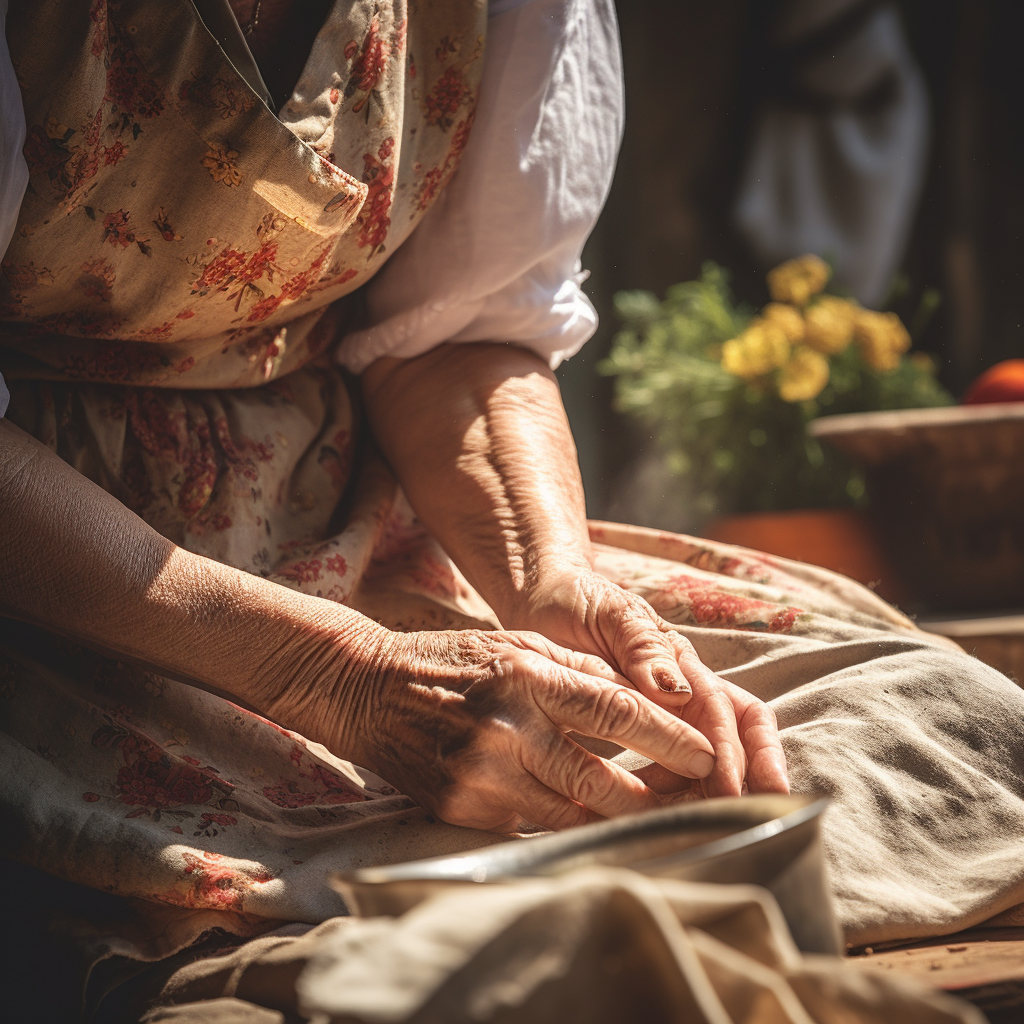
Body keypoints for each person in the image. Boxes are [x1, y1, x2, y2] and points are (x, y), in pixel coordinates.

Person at [1, 1, 1023, 1021]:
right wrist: (334, 675)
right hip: (72, 581)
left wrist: (550, 574)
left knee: (941, 723)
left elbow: (452, 338)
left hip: (359, 524)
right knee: (406, 912)